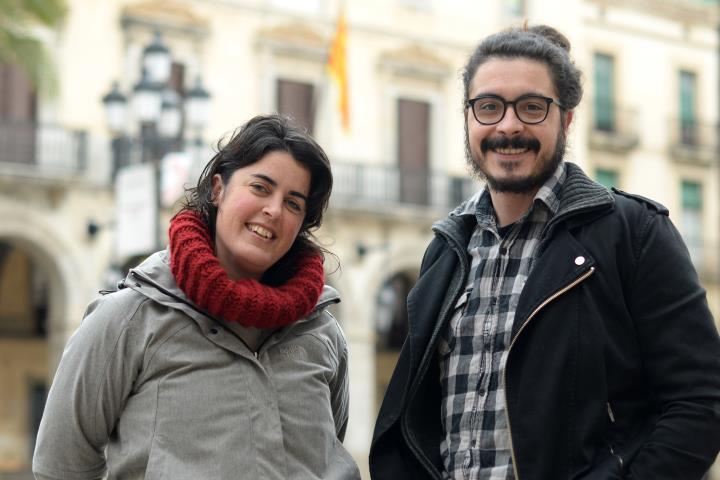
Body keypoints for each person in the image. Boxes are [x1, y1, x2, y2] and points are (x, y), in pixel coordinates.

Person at [370, 25, 720, 480]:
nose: (508, 125)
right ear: (468, 119)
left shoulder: (633, 233)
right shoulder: (447, 248)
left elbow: (701, 399)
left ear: (566, 119)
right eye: (489, 107)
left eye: (532, 107)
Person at [33, 114, 361, 480]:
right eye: (260, 187)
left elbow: (327, 451)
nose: (273, 210)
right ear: (218, 189)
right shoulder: (130, 317)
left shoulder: (323, 333)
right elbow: (59, 465)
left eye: (294, 203)